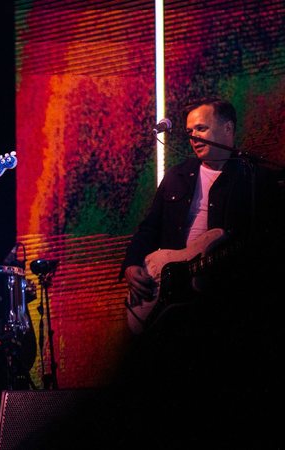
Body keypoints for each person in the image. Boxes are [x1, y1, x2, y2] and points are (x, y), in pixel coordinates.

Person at [118, 97, 283, 447]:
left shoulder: (254, 179)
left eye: (202, 128)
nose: (193, 136)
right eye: (190, 130)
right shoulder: (178, 175)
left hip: (221, 299)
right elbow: (149, 227)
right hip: (166, 288)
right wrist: (132, 264)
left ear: (227, 130)